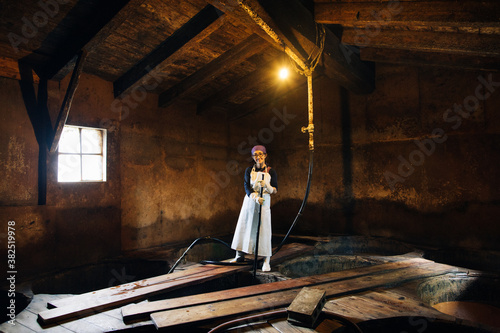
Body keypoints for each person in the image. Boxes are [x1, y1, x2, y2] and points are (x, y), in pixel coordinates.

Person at [230, 145, 278, 271]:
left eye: (261, 154)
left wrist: (267, 186)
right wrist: (254, 197)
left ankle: (266, 260)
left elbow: (275, 190)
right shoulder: (248, 170)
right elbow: (247, 186)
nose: (258, 157)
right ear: (253, 157)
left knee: (264, 230)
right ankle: (239, 255)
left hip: (264, 202)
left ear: (265, 155)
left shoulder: (271, 171)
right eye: (255, 155)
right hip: (250, 202)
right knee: (244, 226)